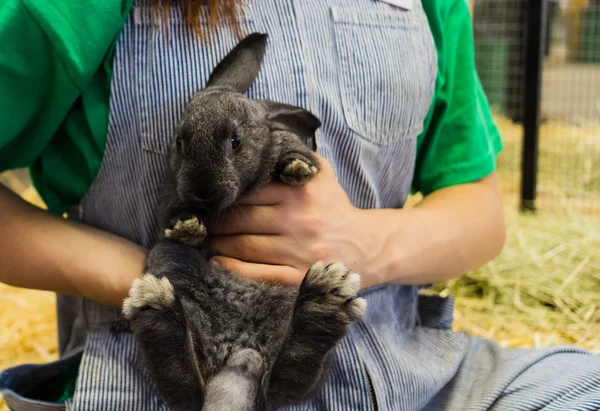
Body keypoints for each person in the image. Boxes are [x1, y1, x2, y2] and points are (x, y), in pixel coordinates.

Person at [0, 0, 599, 410]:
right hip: (158, 382)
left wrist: (365, 246)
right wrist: (160, 280)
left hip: (409, 381)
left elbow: (480, 210)